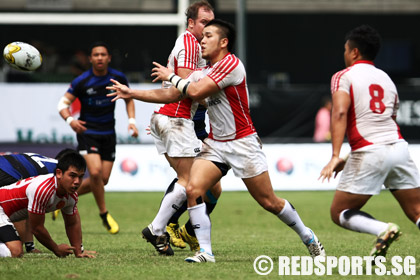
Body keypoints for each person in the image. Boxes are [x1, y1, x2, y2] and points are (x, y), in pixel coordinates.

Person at [107, 19, 326, 263]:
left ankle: (308, 237)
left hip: (243, 143)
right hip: (216, 144)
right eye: (202, 36)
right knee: (193, 188)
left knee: (269, 202)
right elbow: (171, 93)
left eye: (208, 35)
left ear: (223, 42)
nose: (202, 40)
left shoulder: (231, 64)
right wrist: (132, 93)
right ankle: (205, 252)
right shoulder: (204, 72)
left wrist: (172, 75)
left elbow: (196, 92)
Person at [319, 25, 420, 258]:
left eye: (346, 50)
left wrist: (336, 156)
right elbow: (387, 119)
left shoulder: (343, 76)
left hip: (370, 151)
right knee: (416, 211)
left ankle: (383, 229)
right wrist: (348, 158)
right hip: (399, 148)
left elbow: (340, 113)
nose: (344, 54)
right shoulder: (387, 79)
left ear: (354, 52)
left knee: (340, 211)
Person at [135, 1, 221, 256]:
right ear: (191, 23)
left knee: (210, 184)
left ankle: (170, 229)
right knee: (191, 181)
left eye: (212, 23)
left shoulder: (195, 46)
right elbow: (187, 87)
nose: (208, 27)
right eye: (204, 22)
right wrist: (220, 100)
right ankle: (160, 227)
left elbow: (182, 88)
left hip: (174, 119)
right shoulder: (189, 44)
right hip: (177, 120)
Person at [57, 41, 139, 235]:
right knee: (94, 173)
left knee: (102, 180)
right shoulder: (82, 81)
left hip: (108, 134)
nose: (100, 58)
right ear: (90, 59)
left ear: (108, 58)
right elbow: (62, 103)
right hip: (88, 134)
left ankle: (60, 196)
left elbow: (129, 98)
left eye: (103, 54)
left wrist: (132, 121)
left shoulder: (118, 78)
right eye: (96, 55)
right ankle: (104, 214)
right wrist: (70, 120)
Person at [0, 151, 95, 258]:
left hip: (6, 215)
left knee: (16, 248)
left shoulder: (71, 195)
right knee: (15, 251)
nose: (77, 181)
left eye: (81, 177)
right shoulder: (44, 190)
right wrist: (56, 248)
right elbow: (36, 228)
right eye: (72, 176)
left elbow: (72, 223)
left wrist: (78, 252)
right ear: (59, 173)